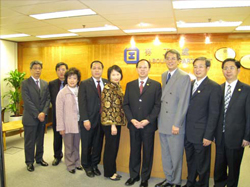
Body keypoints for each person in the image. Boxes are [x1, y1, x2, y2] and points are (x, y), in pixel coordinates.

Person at [183, 57, 222, 187]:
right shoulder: (190, 84)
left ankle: (203, 184)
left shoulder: (213, 87)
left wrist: (208, 136)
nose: (197, 69)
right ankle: (190, 182)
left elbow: (214, 114)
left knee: (203, 163)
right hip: (188, 132)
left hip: (202, 134)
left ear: (207, 68)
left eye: (201, 66)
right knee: (190, 160)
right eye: (195, 66)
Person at [123, 59, 162, 187]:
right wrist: (132, 119)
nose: (142, 69)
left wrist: (147, 120)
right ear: (136, 69)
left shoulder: (156, 85)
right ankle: (134, 176)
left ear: (149, 69)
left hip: (148, 126)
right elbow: (126, 104)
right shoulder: (130, 85)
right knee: (134, 151)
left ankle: (145, 178)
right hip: (133, 125)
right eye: (140, 67)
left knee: (147, 152)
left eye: (145, 67)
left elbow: (157, 106)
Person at [156, 49, 191, 187]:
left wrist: (177, 123)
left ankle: (176, 181)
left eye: (173, 58)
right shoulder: (164, 75)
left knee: (176, 155)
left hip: (175, 124)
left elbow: (183, 102)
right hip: (163, 121)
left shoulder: (183, 76)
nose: (170, 61)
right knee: (166, 154)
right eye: (168, 58)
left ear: (178, 61)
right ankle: (169, 179)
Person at [214, 58, 250, 187]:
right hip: (220, 135)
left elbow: (249, 115)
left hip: (237, 136)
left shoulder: (246, 89)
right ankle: (218, 184)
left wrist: (247, 136)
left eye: (231, 68)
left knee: (234, 168)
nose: (228, 71)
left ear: (238, 70)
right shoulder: (218, 88)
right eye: (225, 68)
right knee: (219, 165)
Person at [78, 60, 108, 177]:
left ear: (102, 70)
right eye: (94, 68)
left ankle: (95, 164)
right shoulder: (84, 83)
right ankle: (86, 165)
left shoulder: (106, 82)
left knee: (98, 144)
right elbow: (82, 103)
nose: (97, 70)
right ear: (91, 70)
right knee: (87, 144)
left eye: (99, 68)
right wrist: (85, 119)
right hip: (88, 120)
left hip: (102, 121)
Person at [21, 60, 50, 172]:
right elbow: (27, 101)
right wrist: (37, 114)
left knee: (40, 140)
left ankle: (39, 158)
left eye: (39, 68)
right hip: (30, 118)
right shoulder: (25, 83)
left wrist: (43, 112)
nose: (38, 70)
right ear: (31, 70)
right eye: (35, 68)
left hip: (42, 118)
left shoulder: (44, 83)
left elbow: (48, 99)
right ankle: (29, 162)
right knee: (30, 141)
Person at [101, 65, 126, 181]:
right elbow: (107, 108)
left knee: (114, 147)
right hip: (111, 124)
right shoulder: (108, 88)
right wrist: (112, 125)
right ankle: (109, 173)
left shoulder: (117, 87)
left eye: (118, 74)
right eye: (113, 74)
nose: (116, 77)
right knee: (110, 148)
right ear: (109, 76)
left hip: (117, 122)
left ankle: (112, 170)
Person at [56, 67, 83, 174]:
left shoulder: (81, 91)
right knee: (69, 145)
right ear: (66, 79)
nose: (72, 80)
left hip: (78, 123)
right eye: (70, 78)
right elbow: (59, 112)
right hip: (67, 124)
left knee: (77, 144)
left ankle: (77, 162)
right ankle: (70, 164)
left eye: (74, 78)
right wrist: (61, 127)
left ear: (78, 79)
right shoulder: (62, 93)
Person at [49, 62, 68, 166]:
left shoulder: (71, 82)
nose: (61, 72)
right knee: (57, 137)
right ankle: (57, 156)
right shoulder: (51, 84)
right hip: (57, 115)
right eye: (59, 70)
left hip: (69, 116)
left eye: (63, 69)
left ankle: (70, 157)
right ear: (56, 71)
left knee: (70, 138)